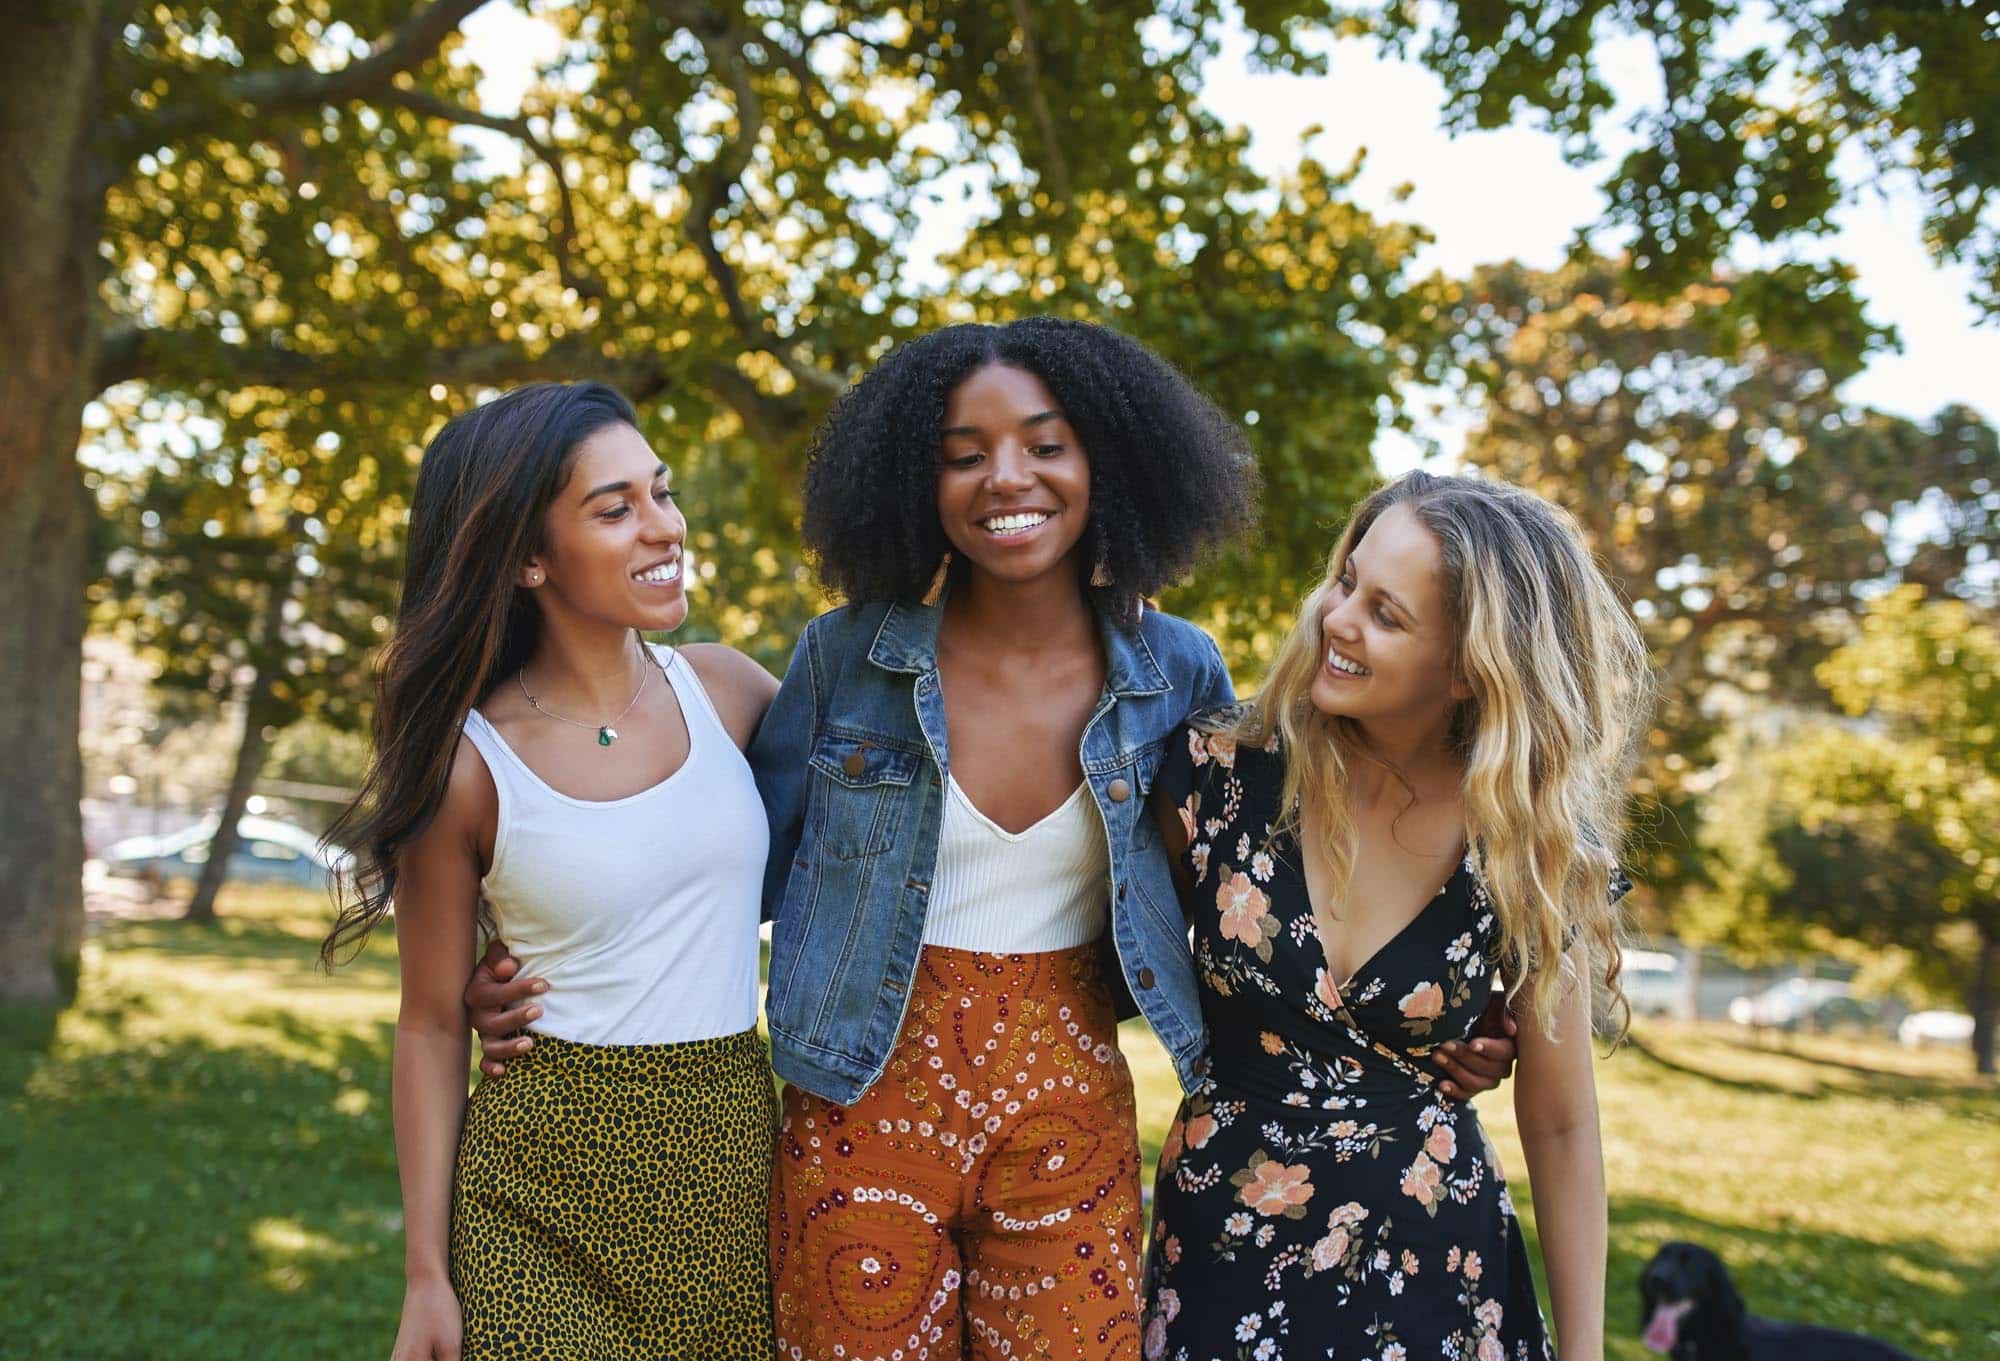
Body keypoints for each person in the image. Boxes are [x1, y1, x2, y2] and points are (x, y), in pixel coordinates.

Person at [464, 321, 1521, 1359]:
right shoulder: (847, 658)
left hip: (1066, 1118)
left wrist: (1437, 1016)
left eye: (1045, 444)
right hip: (857, 1105)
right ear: (912, 482)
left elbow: (1263, 888)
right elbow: (719, 857)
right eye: (960, 455)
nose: (1003, 477)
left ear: (1107, 460)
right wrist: (504, 952)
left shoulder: (1178, 670)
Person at [1140, 471, 1653, 1361]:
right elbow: (1101, 962)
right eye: (1346, 582)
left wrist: (1584, 1352)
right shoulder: (1216, 770)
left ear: (1466, 668)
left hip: (1431, 1271)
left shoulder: (1528, 844)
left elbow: (1564, 1123)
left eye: (1387, 613)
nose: (1338, 619)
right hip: (1219, 1250)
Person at [320, 382, 782, 1361]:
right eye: (614, 509)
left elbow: (887, 822)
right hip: (535, 1201)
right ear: (528, 556)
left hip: (733, 1175)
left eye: (660, 492)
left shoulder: (730, 691)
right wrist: (425, 1276)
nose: (663, 526)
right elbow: (432, 1020)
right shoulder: (467, 767)